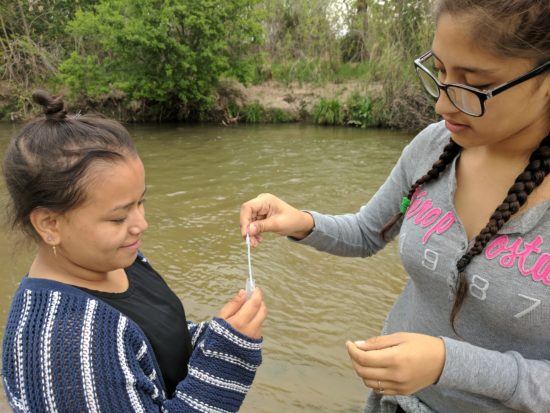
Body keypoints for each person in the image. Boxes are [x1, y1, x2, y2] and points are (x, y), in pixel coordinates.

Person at [239, 1, 549, 412]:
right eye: (439, 72)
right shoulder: (434, 147)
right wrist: (299, 222)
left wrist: (447, 362)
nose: (442, 105)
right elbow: (369, 231)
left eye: (472, 85)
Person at [1, 90, 267, 412]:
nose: (142, 224)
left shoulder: (119, 259)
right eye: (118, 216)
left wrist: (215, 338)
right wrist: (227, 361)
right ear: (50, 224)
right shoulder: (68, 345)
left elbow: (153, 347)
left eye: (141, 201)